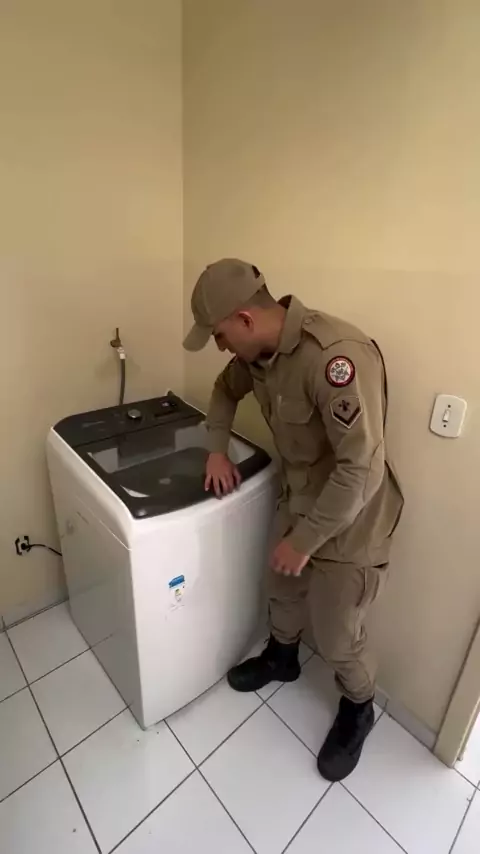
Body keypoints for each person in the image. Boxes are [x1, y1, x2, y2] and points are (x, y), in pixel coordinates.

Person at [183, 258, 404, 782]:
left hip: (353, 518)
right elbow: (224, 390)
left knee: (337, 633)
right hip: (299, 495)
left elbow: (361, 469)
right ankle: (282, 658)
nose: (220, 347)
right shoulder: (258, 355)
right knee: (281, 589)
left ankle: (358, 707)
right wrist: (216, 449)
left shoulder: (335, 357)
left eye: (219, 336)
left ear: (244, 319)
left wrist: (304, 540)